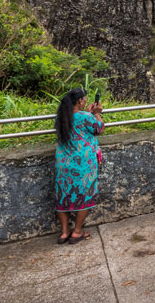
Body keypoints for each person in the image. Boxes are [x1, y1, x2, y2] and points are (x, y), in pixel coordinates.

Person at [54, 87, 104, 244]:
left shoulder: (63, 116)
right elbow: (99, 128)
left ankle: (64, 232)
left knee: (63, 195)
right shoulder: (85, 116)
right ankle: (77, 232)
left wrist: (88, 114)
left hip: (63, 162)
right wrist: (96, 113)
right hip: (83, 163)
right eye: (84, 99)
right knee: (84, 195)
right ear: (80, 101)